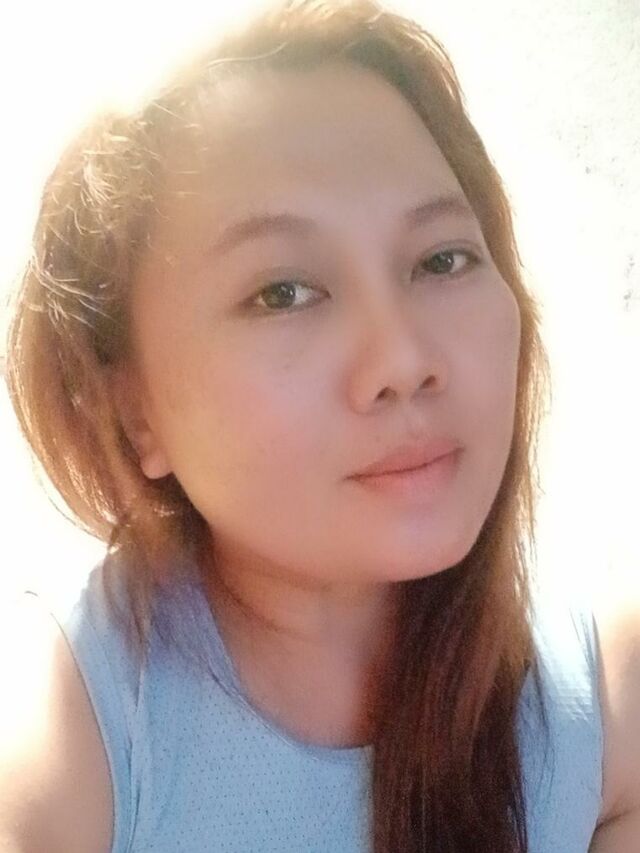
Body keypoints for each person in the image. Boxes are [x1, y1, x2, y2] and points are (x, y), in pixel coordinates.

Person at [0, 0, 638, 850]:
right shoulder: (73, 732)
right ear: (131, 410)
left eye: (441, 258)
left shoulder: (602, 705)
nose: (403, 358)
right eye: (284, 292)